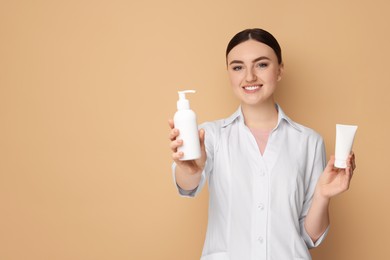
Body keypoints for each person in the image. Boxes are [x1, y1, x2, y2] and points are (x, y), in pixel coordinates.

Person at [168, 28, 356, 260]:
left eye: (261, 65)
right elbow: (187, 186)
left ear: (279, 71)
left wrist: (323, 195)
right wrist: (190, 170)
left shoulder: (309, 142)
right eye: (238, 67)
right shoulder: (212, 135)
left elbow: (310, 238)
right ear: (229, 73)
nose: (249, 77)